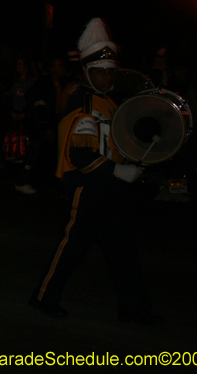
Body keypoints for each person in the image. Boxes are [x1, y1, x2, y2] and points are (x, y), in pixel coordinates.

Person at [30, 18, 159, 325]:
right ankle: (43, 297)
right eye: (100, 71)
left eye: (110, 71)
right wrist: (120, 171)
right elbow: (81, 154)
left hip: (110, 187)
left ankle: (133, 309)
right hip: (87, 187)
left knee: (124, 251)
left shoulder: (110, 103)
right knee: (72, 248)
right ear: (88, 71)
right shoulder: (84, 103)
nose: (106, 77)